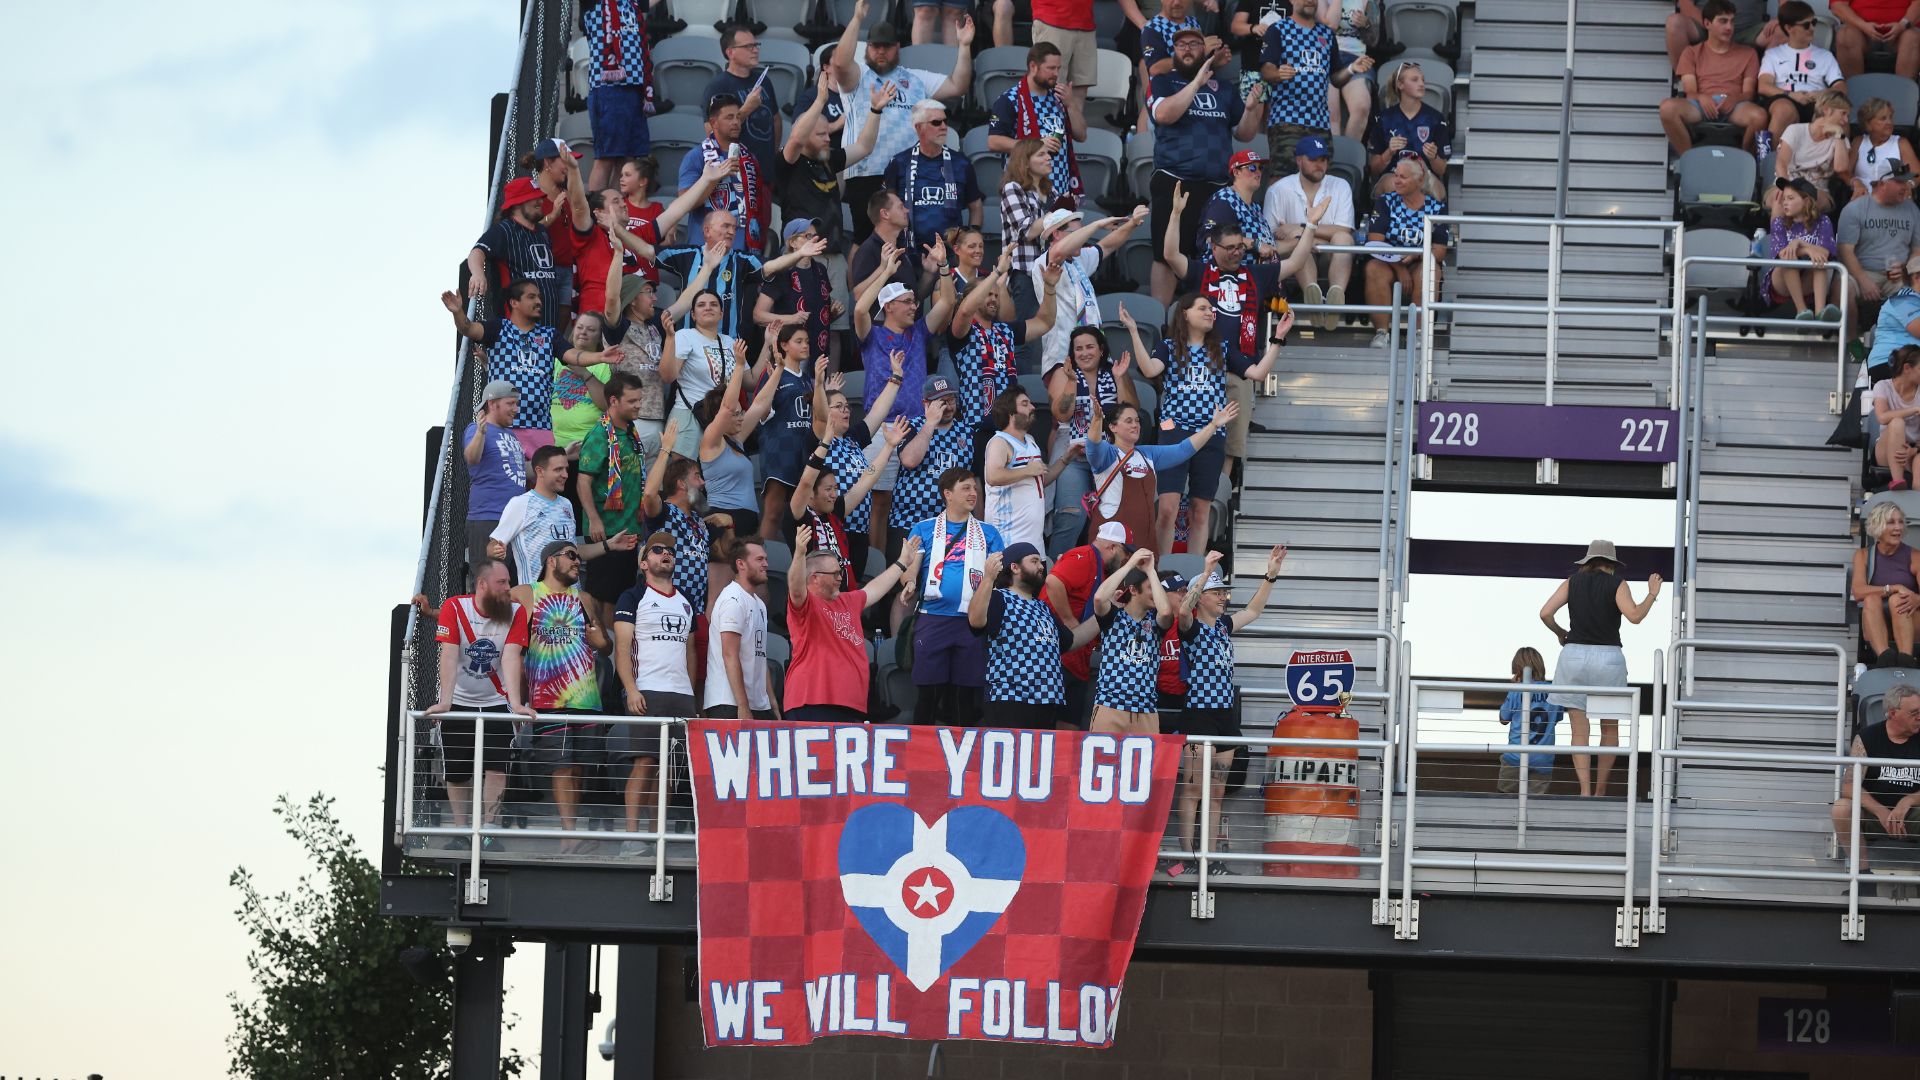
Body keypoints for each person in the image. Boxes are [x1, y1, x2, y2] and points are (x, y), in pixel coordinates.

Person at [1161, 190, 1315, 486]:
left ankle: (1218, 497)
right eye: (1229, 247)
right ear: (1213, 246)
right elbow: (1170, 255)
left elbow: (1295, 263)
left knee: (1230, 446)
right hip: (1199, 370)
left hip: (1237, 369)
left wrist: (1313, 226)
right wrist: (1176, 214)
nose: (1235, 253)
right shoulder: (1199, 271)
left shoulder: (1256, 274)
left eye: (1239, 247)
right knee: (1191, 436)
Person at [1126, 293, 1286, 555]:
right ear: (1185, 313)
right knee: (1167, 508)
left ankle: (1192, 579)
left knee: (1200, 511)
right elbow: (1149, 370)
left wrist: (1277, 339)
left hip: (1211, 434)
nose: (1210, 312)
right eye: (1202, 308)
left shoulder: (1222, 348)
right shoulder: (1168, 346)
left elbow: (1257, 373)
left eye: (1212, 309)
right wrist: (1133, 331)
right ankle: (1162, 573)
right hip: (1175, 433)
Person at [1164, 547, 1287, 876]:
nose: (1223, 598)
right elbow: (1184, 611)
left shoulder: (1222, 627)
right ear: (1202, 596)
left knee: (1215, 792)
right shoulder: (1191, 629)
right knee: (1192, 790)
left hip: (1224, 717)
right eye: (1217, 593)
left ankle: (1211, 858)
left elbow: (1254, 611)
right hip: (1198, 714)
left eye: (1224, 592)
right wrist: (1204, 573)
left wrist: (1270, 573)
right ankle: (1186, 858)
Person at [830, 2, 975, 242]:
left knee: (904, 242)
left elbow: (957, 85)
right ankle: (860, 282)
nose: (881, 52)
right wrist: (857, 19)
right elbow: (839, 64)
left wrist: (965, 46)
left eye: (887, 46)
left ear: (898, 47)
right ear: (868, 48)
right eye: (876, 46)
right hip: (868, 171)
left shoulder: (914, 78)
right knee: (866, 241)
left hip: (906, 174)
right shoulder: (859, 76)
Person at [1147, 28, 1266, 302]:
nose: (1187, 49)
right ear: (1173, 52)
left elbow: (1245, 134)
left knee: (1213, 254)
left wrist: (1249, 110)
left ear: (1205, 51)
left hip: (1217, 188)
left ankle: (1208, 319)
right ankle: (1160, 323)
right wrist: (1196, 83)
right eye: (1181, 46)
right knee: (1165, 256)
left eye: (1194, 44)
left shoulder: (1224, 88)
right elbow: (1163, 114)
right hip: (1175, 181)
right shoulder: (1163, 81)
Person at [1539, 540, 1662, 798]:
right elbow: (1635, 616)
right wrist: (1652, 593)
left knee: (1579, 731)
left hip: (1573, 656)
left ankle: (1584, 791)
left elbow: (1545, 613)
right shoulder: (1618, 584)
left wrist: (1561, 632)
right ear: (1612, 564)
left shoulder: (1572, 582)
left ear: (1588, 561)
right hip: (1608, 658)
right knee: (1609, 728)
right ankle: (1600, 791)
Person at [426, 558, 532, 846]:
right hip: (459, 699)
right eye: (502, 583)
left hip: (496, 701)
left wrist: (516, 703)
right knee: (458, 771)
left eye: (508, 582)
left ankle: (488, 830)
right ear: (482, 584)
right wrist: (445, 702)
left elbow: (511, 657)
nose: (508, 589)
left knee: (496, 767)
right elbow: (448, 655)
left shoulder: (516, 612)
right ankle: (462, 832)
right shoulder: (455, 607)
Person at [511, 540, 609, 848]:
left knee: (579, 768)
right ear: (551, 561)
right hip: (549, 698)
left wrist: (599, 639)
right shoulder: (526, 594)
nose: (577, 562)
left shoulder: (585, 598)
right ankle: (570, 836)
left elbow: (603, 645)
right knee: (562, 765)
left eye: (579, 557)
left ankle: (572, 830)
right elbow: (485, 606)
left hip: (587, 697)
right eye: (571, 556)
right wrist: (435, 611)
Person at [442, 282, 611, 458]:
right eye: (531, 297)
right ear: (514, 302)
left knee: (543, 484)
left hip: (540, 428)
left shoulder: (549, 335)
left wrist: (600, 357)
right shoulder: (498, 328)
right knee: (507, 481)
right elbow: (468, 328)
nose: (539, 301)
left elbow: (573, 355)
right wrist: (458, 312)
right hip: (504, 427)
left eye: (539, 297)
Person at [611, 533, 697, 857]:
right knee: (644, 763)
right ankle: (632, 837)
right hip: (647, 689)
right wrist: (630, 689)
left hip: (681, 694)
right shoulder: (632, 597)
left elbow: (691, 653)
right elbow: (621, 649)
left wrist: (692, 694)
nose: (666, 554)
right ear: (644, 562)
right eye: (658, 550)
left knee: (669, 771)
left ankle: (655, 835)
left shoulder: (686, 600)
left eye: (671, 551)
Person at [785, 524, 924, 722]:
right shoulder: (806, 605)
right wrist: (799, 553)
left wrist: (902, 562)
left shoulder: (847, 600)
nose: (840, 577)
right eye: (834, 574)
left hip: (851, 705)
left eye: (840, 571)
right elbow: (796, 588)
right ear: (814, 578)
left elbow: (875, 588)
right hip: (813, 702)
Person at [903, 468, 1007, 726]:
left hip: (971, 622)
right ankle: (921, 754)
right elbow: (909, 569)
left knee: (965, 697)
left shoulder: (989, 533)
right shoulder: (924, 529)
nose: (973, 493)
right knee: (928, 694)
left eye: (974, 488)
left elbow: (999, 578)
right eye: (966, 488)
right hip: (933, 619)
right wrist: (908, 583)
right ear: (947, 494)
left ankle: (965, 758)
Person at [601, 235, 722, 451]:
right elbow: (611, 300)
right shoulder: (616, 328)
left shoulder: (656, 324)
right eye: (648, 293)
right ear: (631, 299)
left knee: (654, 484)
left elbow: (685, 302)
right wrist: (618, 254)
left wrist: (708, 267)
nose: (655, 298)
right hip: (627, 421)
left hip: (657, 421)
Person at [967, 544, 1103, 729]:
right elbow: (975, 620)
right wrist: (989, 579)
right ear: (1014, 567)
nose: (1041, 566)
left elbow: (1071, 641)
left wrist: (1104, 615)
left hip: (1047, 703)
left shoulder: (1042, 607)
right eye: (1034, 561)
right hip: (1011, 700)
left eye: (1041, 561)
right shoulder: (999, 598)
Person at [1083, 397, 1237, 555]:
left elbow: (1183, 450)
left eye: (1137, 421)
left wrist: (1213, 425)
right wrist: (1096, 420)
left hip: (1143, 541)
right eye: (1128, 421)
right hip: (1110, 542)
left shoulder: (1148, 454)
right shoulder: (1106, 454)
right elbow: (1093, 446)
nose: (1135, 425)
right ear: (1113, 427)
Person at [804, 355, 908, 575]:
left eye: (847, 406)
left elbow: (878, 412)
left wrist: (896, 376)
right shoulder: (821, 438)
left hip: (859, 531)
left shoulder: (852, 439)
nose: (846, 410)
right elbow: (821, 415)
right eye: (839, 406)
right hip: (832, 526)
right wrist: (820, 384)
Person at [1045, 327, 1140, 555]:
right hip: (1074, 456)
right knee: (1071, 516)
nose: (1084, 353)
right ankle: (1057, 575)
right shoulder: (1064, 373)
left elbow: (1131, 412)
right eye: (1078, 348)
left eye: (1090, 347)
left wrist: (1119, 378)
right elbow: (1062, 415)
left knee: (1110, 520)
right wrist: (1070, 382)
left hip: (1110, 458)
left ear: (1101, 350)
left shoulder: (1115, 370)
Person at [792, 416, 911, 588]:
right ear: (810, 494)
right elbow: (805, 482)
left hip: (842, 597)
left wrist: (889, 446)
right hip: (814, 598)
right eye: (828, 490)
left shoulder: (835, 511)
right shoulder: (799, 514)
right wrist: (825, 443)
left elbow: (866, 480)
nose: (834, 494)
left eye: (835, 488)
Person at [1260, 0, 1374, 181]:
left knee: (1319, 182)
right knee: (1281, 180)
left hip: (1320, 124)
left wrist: (1352, 69)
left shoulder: (1327, 35)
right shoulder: (1278, 29)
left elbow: (1335, 79)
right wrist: (1278, 73)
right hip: (1287, 120)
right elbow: (1265, 69)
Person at [781, 74, 895, 254]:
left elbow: (864, 147)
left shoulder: (829, 159)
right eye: (821, 134)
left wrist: (875, 111)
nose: (828, 139)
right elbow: (795, 138)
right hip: (801, 254)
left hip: (834, 254)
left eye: (828, 133)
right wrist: (820, 101)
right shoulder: (788, 162)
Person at [948, 251, 1061, 431]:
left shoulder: (1005, 330)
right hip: (976, 427)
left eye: (996, 295)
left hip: (1010, 427)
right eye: (988, 294)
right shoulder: (963, 331)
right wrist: (997, 273)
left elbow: (1045, 322)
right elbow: (964, 311)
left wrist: (1049, 287)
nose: (993, 298)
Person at [495, 445, 636, 588]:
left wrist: (609, 544)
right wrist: (497, 550)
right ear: (540, 471)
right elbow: (493, 545)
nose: (565, 475)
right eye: (558, 470)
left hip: (571, 601)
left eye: (566, 469)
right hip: (538, 600)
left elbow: (574, 551)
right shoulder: (520, 504)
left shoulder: (566, 504)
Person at [1037, 206, 1151, 376]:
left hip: (1091, 357)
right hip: (1061, 359)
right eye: (1075, 234)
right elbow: (1059, 251)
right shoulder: (1045, 261)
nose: (1081, 239)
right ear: (1056, 234)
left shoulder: (1078, 259)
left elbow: (1107, 245)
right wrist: (1097, 225)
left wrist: (1132, 223)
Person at [575, 374, 652, 627]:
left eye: (639, 399)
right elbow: (583, 481)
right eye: (632, 401)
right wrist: (594, 520)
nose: (639, 405)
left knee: (620, 598)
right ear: (613, 401)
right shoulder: (599, 435)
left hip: (628, 530)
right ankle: (602, 657)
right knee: (604, 601)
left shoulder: (630, 432)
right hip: (605, 532)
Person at [856, 246, 959, 431]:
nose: (913, 307)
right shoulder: (872, 334)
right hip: (881, 426)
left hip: (918, 424)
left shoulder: (919, 331)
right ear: (888, 307)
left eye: (914, 301)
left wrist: (943, 264)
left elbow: (948, 302)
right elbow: (860, 309)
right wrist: (886, 273)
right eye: (907, 302)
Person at [640, 420, 735, 615]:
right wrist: (666, 449)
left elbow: (727, 556)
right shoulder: (663, 512)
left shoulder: (701, 521)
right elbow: (649, 494)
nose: (702, 482)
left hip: (696, 612)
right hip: (663, 608)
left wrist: (730, 526)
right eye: (697, 477)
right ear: (682, 484)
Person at [1047, 521, 1136, 728]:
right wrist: (1069, 620)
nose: (1126, 559)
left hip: (1077, 659)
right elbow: (1053, 582)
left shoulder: (1099, 567)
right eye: (1125, 552)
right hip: (1058, 656)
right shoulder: (1084, 556)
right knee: (1050, 727)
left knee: (1068, 729)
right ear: (1113, 547)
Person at [1266, 136, 1357, 328]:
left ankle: (1336, 297)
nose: (1319, 165)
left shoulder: (1340, 185)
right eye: (1313, 159)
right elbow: (1270, 235)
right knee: (1300, 242)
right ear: (1299, 160)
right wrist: (1305, 238)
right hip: (1296, 258)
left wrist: (1301, 228)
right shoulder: (1278, 190)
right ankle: (1312, 294)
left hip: (1329, 255)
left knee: (1343, 238)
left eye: (1323, 160)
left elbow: (1344, 229)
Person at [468, 176, 583, 327]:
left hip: (546, 333)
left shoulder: (542, 231)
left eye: (540, 197)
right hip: (516, 334)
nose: (540, 202)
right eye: (533, 198)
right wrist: (477, 273)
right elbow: (478, 251)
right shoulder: (504, 230)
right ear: (516, 204)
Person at [695, 340, 782, 541]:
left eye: (741, 412)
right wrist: (740, 366)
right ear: (719, 417)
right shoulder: (711, 441)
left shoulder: (738, 439)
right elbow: (727, 407)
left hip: (748, 519)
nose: (741, 417)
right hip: (722, 518)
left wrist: (779, 370)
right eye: (736, 414)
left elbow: (759, 404)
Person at [1833, 684, 1920, 880]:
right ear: (1892, 713)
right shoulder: (1867, 737)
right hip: (1874, 815)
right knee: (1841, 808)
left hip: (1913, 815)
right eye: (1914, 713)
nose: (1919, 717)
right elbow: (1848, 786)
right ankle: (1862, 875)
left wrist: (1907, 801)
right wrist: (1880, 811)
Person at [1363, 155, 1451, 349]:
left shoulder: (1436, 207)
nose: (1396, 180)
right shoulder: (1385, 202)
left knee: (1429, 270)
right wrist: (1399, 268)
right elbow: (1374, 243)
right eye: (1396, 175)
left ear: (1420, 180)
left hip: (1419, 263)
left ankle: (1420, 334)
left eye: (1403, 177)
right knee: (1373, 268)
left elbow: (1440, 251)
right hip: (1388, 262)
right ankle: (1381, 333)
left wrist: (1417, 256)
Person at [986, 42, 1088, 206]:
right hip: (1025, 186)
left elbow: (1081, 135)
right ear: (1033, 66)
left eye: (1058, 68)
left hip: (1059, 186)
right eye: (1051, 68)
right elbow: (993, 141)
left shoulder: (1060, 98)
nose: (1056, 74)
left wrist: (1071, 105)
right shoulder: (1009, 99)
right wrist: (1036, 144)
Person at [664, 281, 757, 458]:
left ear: (721, 314)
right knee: (685, 477)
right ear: (693, 314)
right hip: (689, 413)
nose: (708, 308)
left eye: (713, 304)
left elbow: (751, 382)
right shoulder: (685, 335)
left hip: (721, 416)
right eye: (701, 305)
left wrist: (768, 342)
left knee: (717, 478)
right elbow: (668, 376)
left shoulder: (730, 341)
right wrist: (670, 339)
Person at [1662, 0, 1767, 155]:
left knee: (1760, 117)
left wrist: (1735, 98)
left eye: (1732, 21)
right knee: (1667, 108)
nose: (1729, 27)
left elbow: (1749, 93)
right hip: (1702, 105)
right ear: (1707, 23)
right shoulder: (1691, 52)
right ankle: (1689, 157)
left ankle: (1746, 158)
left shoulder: (1749, 53)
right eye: (1723, 21)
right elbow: (1690, 91)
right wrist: (1701, 97)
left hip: (1734, 106)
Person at [753, 321, 826, 540]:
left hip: (803, 452)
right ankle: (761, 558)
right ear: (784, 345)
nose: (806, 345)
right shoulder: (772, 374)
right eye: (799, 341)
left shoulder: (807, 380)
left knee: (799, 516)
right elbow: (761, 412)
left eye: (807, 341)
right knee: (773, 512)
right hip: (779, 449)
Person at [1091, 548, 1177, 734]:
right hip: (1110, 706)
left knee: (1147, 765)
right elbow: (1099, 598)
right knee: (1105, 764)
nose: (1156, 593)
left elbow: (1166, 612)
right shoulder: (1113, 617)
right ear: (1132, 590)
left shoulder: (1155, 622)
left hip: (1146, 711)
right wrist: (1130, 565)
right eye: (1150, 588)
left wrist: (1151, 572)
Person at [886, 100, 985, 251]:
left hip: (951, 251)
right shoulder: (899, 162)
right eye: (936, 122)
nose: (944, 127)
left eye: (945, 121)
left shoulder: (962, 163)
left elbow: (976, 206)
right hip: (908, 249)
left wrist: (971, 238)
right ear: (919, 127)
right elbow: (887, 208)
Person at [678, 94, 771, 253]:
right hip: (705, 248)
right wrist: (715, 177)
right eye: (729, 117)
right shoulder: (697, 156)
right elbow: (684, 203)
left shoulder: (749, 158)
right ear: (714, 122)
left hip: (743, 247)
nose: (736, 122)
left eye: (738, 117)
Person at [890, 376, 977, 548]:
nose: (948, 406)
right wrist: (930, 423)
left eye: (951, 400)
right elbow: (909, 460)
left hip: (952, 527)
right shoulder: (911, 426)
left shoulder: (968, 433)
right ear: (926, 403)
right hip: (909, 523)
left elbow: (975, 482)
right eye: (941, 402)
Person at [983, 386, 1072, 551]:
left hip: (1034, 542)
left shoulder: (1030, 440)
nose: (1032, 407)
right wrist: (1027, 470)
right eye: (1025, 404)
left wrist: (1066, 459)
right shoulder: (1000, 441)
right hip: (1008, 539)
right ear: (1011, 414)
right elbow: (993, 476)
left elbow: (1039, 480)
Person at [581, 0, 657, 192]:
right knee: (606, 157)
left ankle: (616, 209)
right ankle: (597, 211)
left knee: (627, 159)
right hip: (607, 89)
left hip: (634, 88)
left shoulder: (632, 3)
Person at [656, 212, 764, 345]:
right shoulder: (689, 254)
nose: (731, 232)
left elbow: (772, 267)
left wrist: (797, 253)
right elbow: (647, 253)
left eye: (734, 228)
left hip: (727, 345)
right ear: (707, 230)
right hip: (688, 346)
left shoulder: (742, 260)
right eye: (726, 226)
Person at [705, 536, 780, 720]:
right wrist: (743, 706)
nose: (766, 564)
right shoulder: (732, 599)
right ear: (741, 564)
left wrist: (773, 704)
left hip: (757, 704)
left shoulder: (759, 604)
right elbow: (729, 654)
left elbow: (760, 658)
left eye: (766, 559)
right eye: (759, 559)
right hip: (729, 703)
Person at [1841, 165, 1920, 334]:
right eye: (1900, 182)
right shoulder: (1855, 208)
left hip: (1900, 274)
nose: (1906, 186)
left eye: (1906, 181)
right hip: (1863, 271)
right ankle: (1850, 343)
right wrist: (1863, 280)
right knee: (1842, 286)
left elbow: (1917, 249)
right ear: (1882, 183)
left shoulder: (1912, 209)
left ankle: (1910, 347)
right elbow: (1845, 251)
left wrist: (1907, 268)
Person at [464, 381, 529, 587]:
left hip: (515, 521)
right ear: (492, 404)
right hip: (489, 518)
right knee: (488, 583)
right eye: (510, 403)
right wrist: (481, 434)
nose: (515, 409)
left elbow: (520, 469)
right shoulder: (476, 429)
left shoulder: (511, 434)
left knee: (512, 584)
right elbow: (471, 458)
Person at [754, 221, 838, 377]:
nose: (813, 239)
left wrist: (832, 313)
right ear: (792, 242)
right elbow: (758, 315)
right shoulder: (781, 272)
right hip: (791, 355)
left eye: (815, 236)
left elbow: (815, 316)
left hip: (818, 355)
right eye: (807, 236)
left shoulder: (820, 270)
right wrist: (791, 319)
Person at [1760, 1, 1848, 146]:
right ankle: (1771, 164)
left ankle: (1834, 166)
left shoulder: (1825, 55)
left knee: (1837, 114)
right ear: (1789, 28)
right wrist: (1790, 94)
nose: (1812, 28)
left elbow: (1841, 88)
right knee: (1784, 109)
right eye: (1806, 25)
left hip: (1817, 102)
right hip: (1784, 99)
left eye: (1814, 22)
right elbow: (1763, 86)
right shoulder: (1772, 55)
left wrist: (1821, 94)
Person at [705, 26, 782, 190]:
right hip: (737, 177)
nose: (755, 50)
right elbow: (712, 133)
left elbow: (775, 120)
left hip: (765, 172)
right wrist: (746, 108)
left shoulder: (764, 81)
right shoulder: (718, 86)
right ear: (730, 53)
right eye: (748, 46)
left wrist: (771, 156)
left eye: (756, 45)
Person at [1366, 61, 1455, 190]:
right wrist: (1389, 152)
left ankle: (1426, 210)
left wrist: (1433, 157)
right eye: (1415, 80)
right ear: (1400, 84)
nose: (1421, 84)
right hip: (1394, 176)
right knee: (1394, 184)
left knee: (1435, 189)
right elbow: (1374, 169)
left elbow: (1442, 170)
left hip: (1424, 177)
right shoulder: (1384, 119)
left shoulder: (1435, 118)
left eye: (1423, 80)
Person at [1763, 177, 1840, 321]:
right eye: (1784, 198)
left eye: (1790, 198)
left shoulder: (1823, 221)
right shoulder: (1779, 222)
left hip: (1808, 280)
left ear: (1806, 201)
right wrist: (1807, 250)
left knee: (1820, 260)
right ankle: (1801, 310)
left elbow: (1825, 252)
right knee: (1789, 259)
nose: (1785, 203)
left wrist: (1800, 243)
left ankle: (1820, 312)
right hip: (1781, 282)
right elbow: (1781, 253)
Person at [1852, 502, 1920, 665]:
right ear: (1877, 526)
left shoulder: (1915, 556)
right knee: (1871, 599)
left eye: (1900, 522)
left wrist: (1917, 599)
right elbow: (1858, 592)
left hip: (1911, 622)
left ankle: (1906, 658)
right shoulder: (1863, 555)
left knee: (1898, 600)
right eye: (1891, 522)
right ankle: (1884, 657)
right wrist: (1893, 588)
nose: (1898, 527)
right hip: (1876, 625)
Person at [999, 140, 1061, 320]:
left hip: (1049, 273)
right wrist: (1058, 213)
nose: (1049, 158)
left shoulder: (1052, 192)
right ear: (1024, 161)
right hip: (1025, 273)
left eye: (1048, 154)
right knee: (1027, 341)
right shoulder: (1013, 188)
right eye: (1041, 154)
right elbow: (1027, 231)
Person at [1771, 89, 1853, 216]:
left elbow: (1840, 168)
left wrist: (1839, 134)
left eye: (1848, 116)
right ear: (1827, 110)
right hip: (1786, 183)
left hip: (1818, 191)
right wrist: (1787, 190)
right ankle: (1778, 236)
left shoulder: (1840, 139)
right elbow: (1781, 163)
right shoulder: (1796, 131)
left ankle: (1804, 236)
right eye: (1843, 114)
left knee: (1806, 202)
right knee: (1782, 202)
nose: (1846, 120)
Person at [1496, 646, 1564, 796]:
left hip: (1515, 757)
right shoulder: (1554, 691)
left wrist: (1514, 688)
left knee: (1504, 798)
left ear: (1518, 670)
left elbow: (1503, 718)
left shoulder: (1517, 690)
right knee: (1536, 805)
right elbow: (1557, 717)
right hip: (1543, 758)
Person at [1200, 151, 1284, 265]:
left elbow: (1269, 245)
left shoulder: (1255, 207)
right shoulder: (1225, 200)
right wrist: (1255, 245)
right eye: (1252, 167)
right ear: (1236, 172)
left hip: (1260, 273)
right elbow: (1212, 238)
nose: (1258, 172)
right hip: (1229, 276)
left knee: (1302, 254)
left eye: (1261, 168)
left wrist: (1305, 235)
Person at [850, 190, 929, 301]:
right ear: (885, 214)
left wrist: (929, 273)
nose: (907, 210)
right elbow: (858, 295)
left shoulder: (901, 249)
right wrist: (883, 269)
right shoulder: (868, 250)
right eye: (901, 207)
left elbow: (914, 297)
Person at [552, 311, 614, 448]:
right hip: (552, 441)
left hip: (587, 443)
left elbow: (607, 404)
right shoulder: (555, 360)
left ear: (600, 337)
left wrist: (585, 373)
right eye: (579, 327)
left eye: (591, 329)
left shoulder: (605, 365)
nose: (583, 332)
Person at [1032, 0, 1099, 118]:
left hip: (1085, 21)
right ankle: (1048, 135)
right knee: (1050, 87)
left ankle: (1070, 135)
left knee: (1080, 89)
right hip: (1052, 18)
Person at [1667, 0, 1783, 67]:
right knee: (1674, 23)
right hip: (1707, 28)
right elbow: (1685, 4)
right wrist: (1710, 25)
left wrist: (1779, 18)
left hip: (1749, 29)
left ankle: (1766, 83)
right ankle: (1685, 80)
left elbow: (1786, 3)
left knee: (1780, 31)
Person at [1326, 0, 1379, 142]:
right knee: (1331, 115)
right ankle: (1333, 160)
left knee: (1361, 107)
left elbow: (1374, 40)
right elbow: (1322, 27)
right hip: (1327, 57)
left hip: (1356, 58)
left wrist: (1366, 24)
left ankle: (1347, 158)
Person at [1849, 98, 1920, 200]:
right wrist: (1855, 182)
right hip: (1863, 199)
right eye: (1883, 119)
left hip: (1893, 200)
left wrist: (1909, 184)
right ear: (1868, 124)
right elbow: (1845, 172)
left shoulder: (1901, 142)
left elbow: (1917, 173)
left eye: (1890, 117)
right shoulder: (1858, 142)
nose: (1889, 122)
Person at [1831, 0, 1920, 78]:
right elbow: (1837, 5)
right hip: (1861, 33)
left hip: (1902, 33)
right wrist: (1862, 25)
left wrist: (1903, 25)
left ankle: (1905, 93)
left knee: (1913, 38)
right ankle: (1853, 92)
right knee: (1845, 36)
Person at [1873, 345, 1920, 489]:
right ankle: (1898, 481)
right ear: (1907, 368)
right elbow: (1882, 417)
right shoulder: (1883, 386)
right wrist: (1914, 410)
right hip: (1886, 449)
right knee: (1897, 423)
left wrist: (1914, 450)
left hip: (1912, 449)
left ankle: (1916, 505)